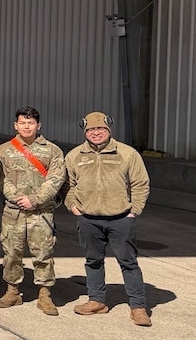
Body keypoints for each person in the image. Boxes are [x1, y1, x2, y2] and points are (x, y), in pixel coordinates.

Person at [65, 112, 152, 326]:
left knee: (128, 263)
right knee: (93, 261)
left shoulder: (127, 153)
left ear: (109, 131)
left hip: (121, 219)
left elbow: (141, 183)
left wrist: (134, 211)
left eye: (100, 129)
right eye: (91, 130)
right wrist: (74, 207)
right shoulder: (74, 155)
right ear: (85, 132)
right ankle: (96, 301)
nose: (96, 133)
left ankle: (138, 307)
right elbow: (68, 185)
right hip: (88, 220)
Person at [0, 106, 66, 315]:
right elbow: (1, 179)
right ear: (16, 125)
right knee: (11, 253)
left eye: (31, 123)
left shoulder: (52, 151)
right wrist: (17, 198)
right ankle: (12, 291)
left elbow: (56, 179)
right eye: (22, 123)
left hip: (41, 212)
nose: (27, 126)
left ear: (38, 125)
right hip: (13, 212)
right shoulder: (4, 150)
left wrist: (34, 200)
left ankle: (44, 295)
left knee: (43, 253)